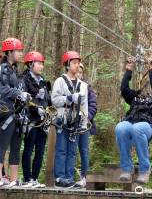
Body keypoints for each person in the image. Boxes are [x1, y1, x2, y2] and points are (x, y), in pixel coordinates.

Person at [115, 57, 152, 184]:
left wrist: (151, 71)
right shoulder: (139, 98)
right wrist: (129, 69)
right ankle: (126, 169)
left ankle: (145, 170)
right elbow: (124, 89)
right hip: (131, 123)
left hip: (148, 128)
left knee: (138, 128)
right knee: (120, 127)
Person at [51, 51, 88, 188]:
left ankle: (69, 177)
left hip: (76, 122)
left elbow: (84, 105)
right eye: (74, 63)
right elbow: (54, 100)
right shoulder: (60, 81)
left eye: (78, 63)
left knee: (72, 151)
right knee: (61, 148)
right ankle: (59, 178)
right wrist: (67, 98)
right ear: (67, 65)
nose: (77, 65)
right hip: (63, 119)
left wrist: (84, 122)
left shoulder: (82, 85)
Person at [0, 38, 30, 187]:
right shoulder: (3, 68)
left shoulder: (15, 71)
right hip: (5, 112)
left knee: (16, 147)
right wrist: (17, 93)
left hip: (16, 112)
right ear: (9, 52)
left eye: (20, 50)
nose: (20, 53)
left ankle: (14, 179)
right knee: (2, 145)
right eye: (17, 51)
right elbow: (2, 89)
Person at [21, 51, 51, 188]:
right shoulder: (24, 79)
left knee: (40, 150)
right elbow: (25, 100)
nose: (41, 66)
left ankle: (35, 178)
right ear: (31, 64)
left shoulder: (44, 81)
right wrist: (35, 108)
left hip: (43, 121)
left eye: (42, 64)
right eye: (39, 63)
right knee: (28, 149)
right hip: (31, 120)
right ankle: (27, 178)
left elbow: (48, 101)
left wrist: (50, 112)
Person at [74, 63, 97, 188]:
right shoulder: (68, 85)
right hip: (70, 124)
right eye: (76, 71)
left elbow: (93, 105)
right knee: (70, 151)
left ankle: (84, 177)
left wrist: (87, 117)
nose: (78, 74)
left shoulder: (87, 88)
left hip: (84, 124)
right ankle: (67, 178)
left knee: (84, 151)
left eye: (80, 72)